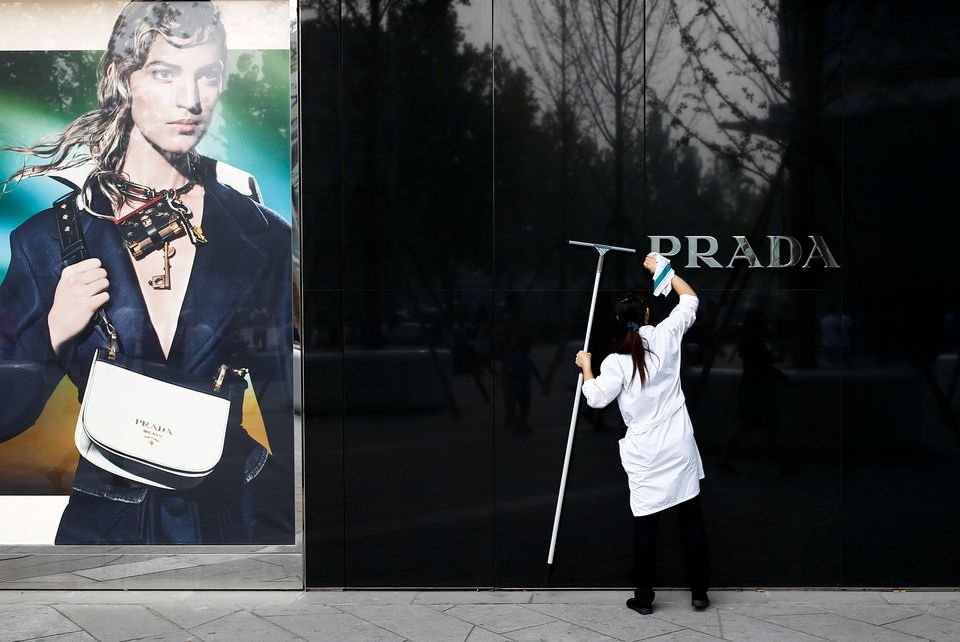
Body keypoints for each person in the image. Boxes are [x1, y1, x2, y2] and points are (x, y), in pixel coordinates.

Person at [0, 1, 293, 544]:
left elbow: (287, 400)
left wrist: (298, 534)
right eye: (164, 73)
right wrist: (52, 333)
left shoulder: (262, 235)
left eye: (208, 75)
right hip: (103, 534)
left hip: (239, 521)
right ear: (122, 77)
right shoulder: (46, 241)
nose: (191, 100)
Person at [575, 252, 709, 615]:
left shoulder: (615, 361)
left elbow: (596, 398)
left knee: (646, 524)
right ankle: (699, 592)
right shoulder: (666, 336)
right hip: (678, 445)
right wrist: (665, 271)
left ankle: (645, 598)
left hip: (646, 453)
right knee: (690, 518)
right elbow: (690, 299)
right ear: (648, 314)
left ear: (619, 320)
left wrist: (586, 366)